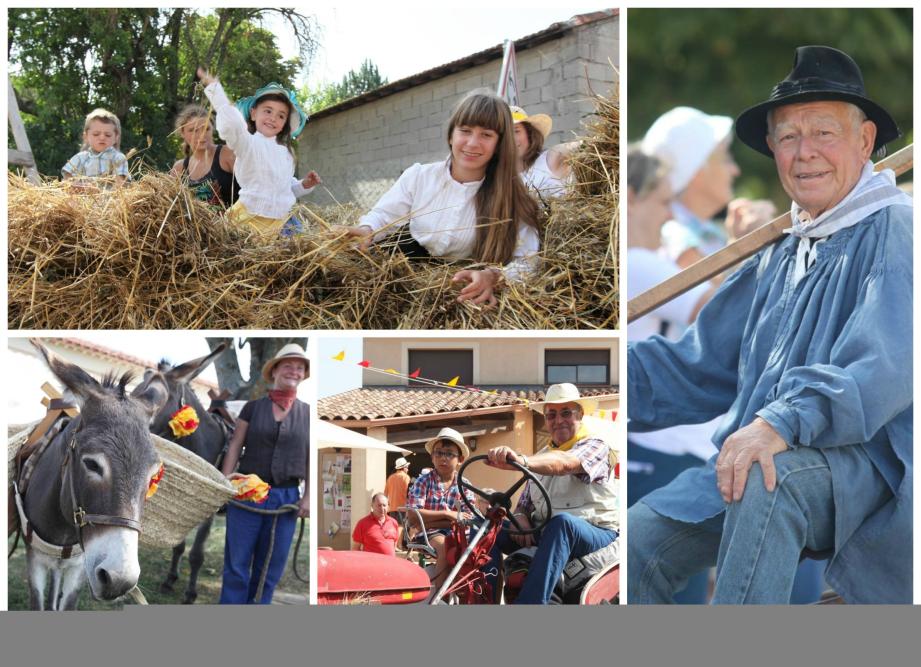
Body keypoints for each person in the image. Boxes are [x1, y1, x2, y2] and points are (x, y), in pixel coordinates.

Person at [628, 45, 912, 605]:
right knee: (642, 537)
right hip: (769, 456)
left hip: (870, 467)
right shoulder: (780, 253)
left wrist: (777, 422)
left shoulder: (897, 229)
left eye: (823, 133)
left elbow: (883, 368)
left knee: (766, 478)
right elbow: (701, 366)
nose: (804, 153)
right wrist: (610, 366)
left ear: (864, 140)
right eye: (787, 137)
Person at [335, 91, 540, 308]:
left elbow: (529, 259)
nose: (472, 143)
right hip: (410, 265)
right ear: (451, 136)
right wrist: (368, 230)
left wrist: (494, 276)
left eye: (486, 135)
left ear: (499, 144)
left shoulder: (512, 195)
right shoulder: (419, 177)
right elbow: (383, 215)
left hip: (461, 283)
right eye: (465, 131)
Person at [483, 383, 618, 604]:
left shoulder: (596, 446)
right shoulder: (541, 457)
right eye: (551, 415)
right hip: (549, 533)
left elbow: (565, 464)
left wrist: (521, 461)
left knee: (563, 524)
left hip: (595, 532)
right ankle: (484, 598)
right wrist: (520, 518)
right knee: (488, 527)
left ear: (580, 415)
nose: (558, 420)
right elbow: (524, 504)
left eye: (566, 412)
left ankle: (532, 604)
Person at [220, 343, 311, 604]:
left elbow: (309, 457)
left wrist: (308, 498)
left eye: (299, 367)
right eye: (287, 366)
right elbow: (236, 445)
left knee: (269, 568)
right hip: (247, 492)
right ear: (274, 372)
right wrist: (224, 481)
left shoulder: (307, 413)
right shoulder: (252, 408)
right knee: (237, 564)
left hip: (287, 498)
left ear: (303, 374)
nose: (293, 371)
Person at [641, 106, 776, 271]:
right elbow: (711, 293)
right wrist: (745, 245)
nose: (735, 170)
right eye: (725, 158)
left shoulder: (707, 232)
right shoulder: (674, 236)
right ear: (696, 170)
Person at [198, 68, 321, 236]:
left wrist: (304, 185)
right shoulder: (248, 142)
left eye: (280, 116)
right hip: (251, 217)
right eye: (268, 111)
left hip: (282, 221)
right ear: (254, 113)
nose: (273, 118)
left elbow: (284, 188)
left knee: (296, 255)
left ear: (285, 124)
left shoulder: (287, 153)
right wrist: (217, 93)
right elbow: (234, 125)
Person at [405, 427, 476, 594]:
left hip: (457, 532)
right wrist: (448, 514)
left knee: (480, 547)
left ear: (460, 459)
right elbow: (413, 515)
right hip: (428, 533)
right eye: (439, 453)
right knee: (445, 545)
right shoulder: (424, 481)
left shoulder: (464, 484)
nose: (443, 458)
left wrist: (428, 517)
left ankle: (470, 593)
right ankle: (440, 595)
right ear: (432, 457)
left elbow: (469, 517)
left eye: (449, 454)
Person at [170, 104, 238, 208]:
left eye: (206, 129)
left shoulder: (227, 154)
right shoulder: (179, 169)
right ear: (182, 133)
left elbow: (254, 185)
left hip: (236, 223)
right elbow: (170, 206)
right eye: (193, 130)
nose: (201, 135)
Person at [510, 105, 576, 199]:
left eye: (516, 131)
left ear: (529, 134)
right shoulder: (500, 181)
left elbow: (586, 147)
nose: (511, 139)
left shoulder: (550, 158)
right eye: (505, 134)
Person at [61, 108, 130, 188]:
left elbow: (120, 184)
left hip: (108, 199)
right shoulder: (81, 157)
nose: (102, 138)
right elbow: (67, 176)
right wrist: (75, 185)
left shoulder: (118, 158)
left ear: (116, 138)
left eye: (108, 135)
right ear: (86, 136)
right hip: (83, 198)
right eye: (96, 134)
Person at [384, 456, 412, 543]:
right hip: (403, 506)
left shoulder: (390, 478)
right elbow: (409, 493)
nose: (408, 469)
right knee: (401, 526)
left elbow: (385, 493)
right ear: (403, 468)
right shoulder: (406, 477)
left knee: (394, 526)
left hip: (392, 507)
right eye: (407, 467)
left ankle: (396, 545)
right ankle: (396, 545)